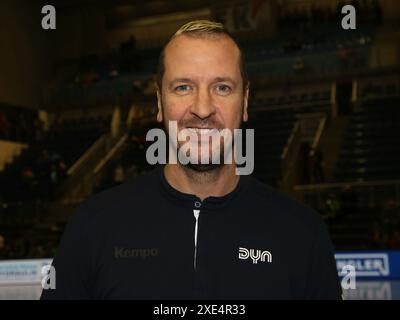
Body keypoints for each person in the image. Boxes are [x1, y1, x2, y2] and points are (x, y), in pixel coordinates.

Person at [41, 20, 341, 300]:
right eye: (183, 87)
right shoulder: (92, 226)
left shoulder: (303, 234)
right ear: (159, 102)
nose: (202, 108)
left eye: (222, 87)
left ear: (245, 102)